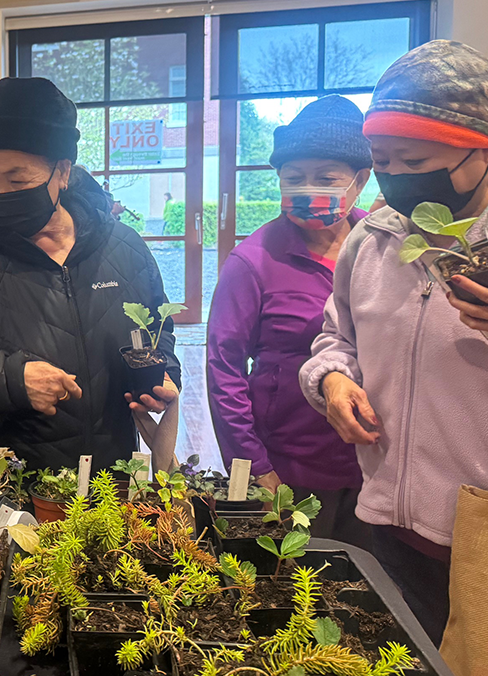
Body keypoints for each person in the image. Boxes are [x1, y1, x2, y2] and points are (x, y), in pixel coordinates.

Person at [298, 40, 488, 645]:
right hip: (386, 519)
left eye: (414, 161)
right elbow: (335, 338)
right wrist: (333, 381)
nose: (396, 181)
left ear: (486, 148)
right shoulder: (374, 240)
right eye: (382, 160)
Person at [0, 77, 180, 474]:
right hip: (15, 496)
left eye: (18, 181)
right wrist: (11, 381)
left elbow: (158, 331)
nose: (0, 193)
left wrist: (163, 375)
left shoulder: (122, 247)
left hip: (116, 482)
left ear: (63, 172)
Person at [207, 95, 373, 545]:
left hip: (380, 460)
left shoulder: (383, 249)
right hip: (292, 462)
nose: (307, 189)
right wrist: (252, 465)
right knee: (298, 585)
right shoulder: (253, 262)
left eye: (326, 178)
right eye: (293, 178)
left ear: (360, 180)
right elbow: (224, 367)